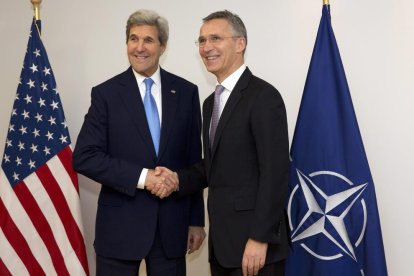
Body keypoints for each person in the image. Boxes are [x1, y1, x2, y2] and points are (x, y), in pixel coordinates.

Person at [150, 10, 290, 276]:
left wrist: (260, 238)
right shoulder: (210, 103)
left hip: (255, 248)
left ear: (240, 43)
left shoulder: (264, 97)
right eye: (201, 41)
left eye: (215, 38)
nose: (206, 48)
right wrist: (177, 179)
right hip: (223, 248)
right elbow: (215, 166)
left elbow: (275, 173)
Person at [72, 9, 205, 276]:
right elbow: (84, 156)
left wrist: (195, 221)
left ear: (162, 46)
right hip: (119, 230)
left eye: (148, 40)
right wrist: (145, 178)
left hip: (171, 228)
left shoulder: (186, 92)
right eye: (133, 39)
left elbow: (194, 163)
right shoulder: (106, 94)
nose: (139, 47)